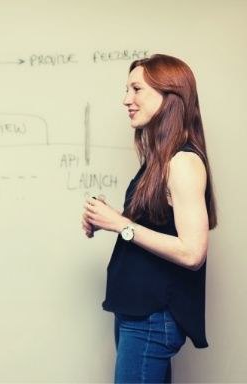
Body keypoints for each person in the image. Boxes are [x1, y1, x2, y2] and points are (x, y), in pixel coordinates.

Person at [82, 54, 217, 383]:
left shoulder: (182, 163)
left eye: (136, 89)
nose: (126, 99)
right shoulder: (160, 160)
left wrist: (119, 224)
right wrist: (108, 218)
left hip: (152, 318)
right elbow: (153, 228)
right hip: (139, 314)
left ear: (169, 95)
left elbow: (192, 252)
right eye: (126, 89)